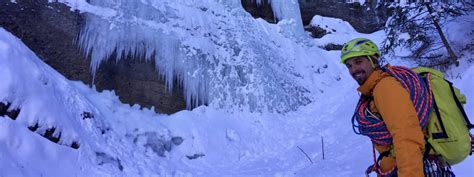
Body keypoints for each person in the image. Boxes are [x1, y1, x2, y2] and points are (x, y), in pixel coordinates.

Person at [341, 38, 429, 177]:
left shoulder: (385, 87)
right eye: (349, 65)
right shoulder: (373, 90)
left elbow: (406, 134)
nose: (354, 70)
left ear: (373, 61)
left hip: (412, 167)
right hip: (400, 164)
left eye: (358, 62)